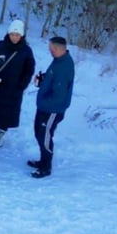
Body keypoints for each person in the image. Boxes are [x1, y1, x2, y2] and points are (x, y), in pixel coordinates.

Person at [28, 36, 75, 179]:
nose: (49, 51)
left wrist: (44, 100)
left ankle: (46, 166)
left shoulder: (64, 66)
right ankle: (43, 160)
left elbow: (59, 93)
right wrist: (43, 81)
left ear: (57, 49)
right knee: (39, 133)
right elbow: (53, 81)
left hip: (52, 109)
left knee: (45, 136)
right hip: (44, 107)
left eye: (51, 49)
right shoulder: (58, 61)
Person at [0, 19, 35, 148]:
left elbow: (29, 69)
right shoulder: (0, 45)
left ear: (22, 35)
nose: (14, 37)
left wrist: (22, 85)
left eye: (17, 35)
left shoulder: (26, 51)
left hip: (14, 87)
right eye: (12, 34)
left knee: (8, 111)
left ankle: (2, 132)